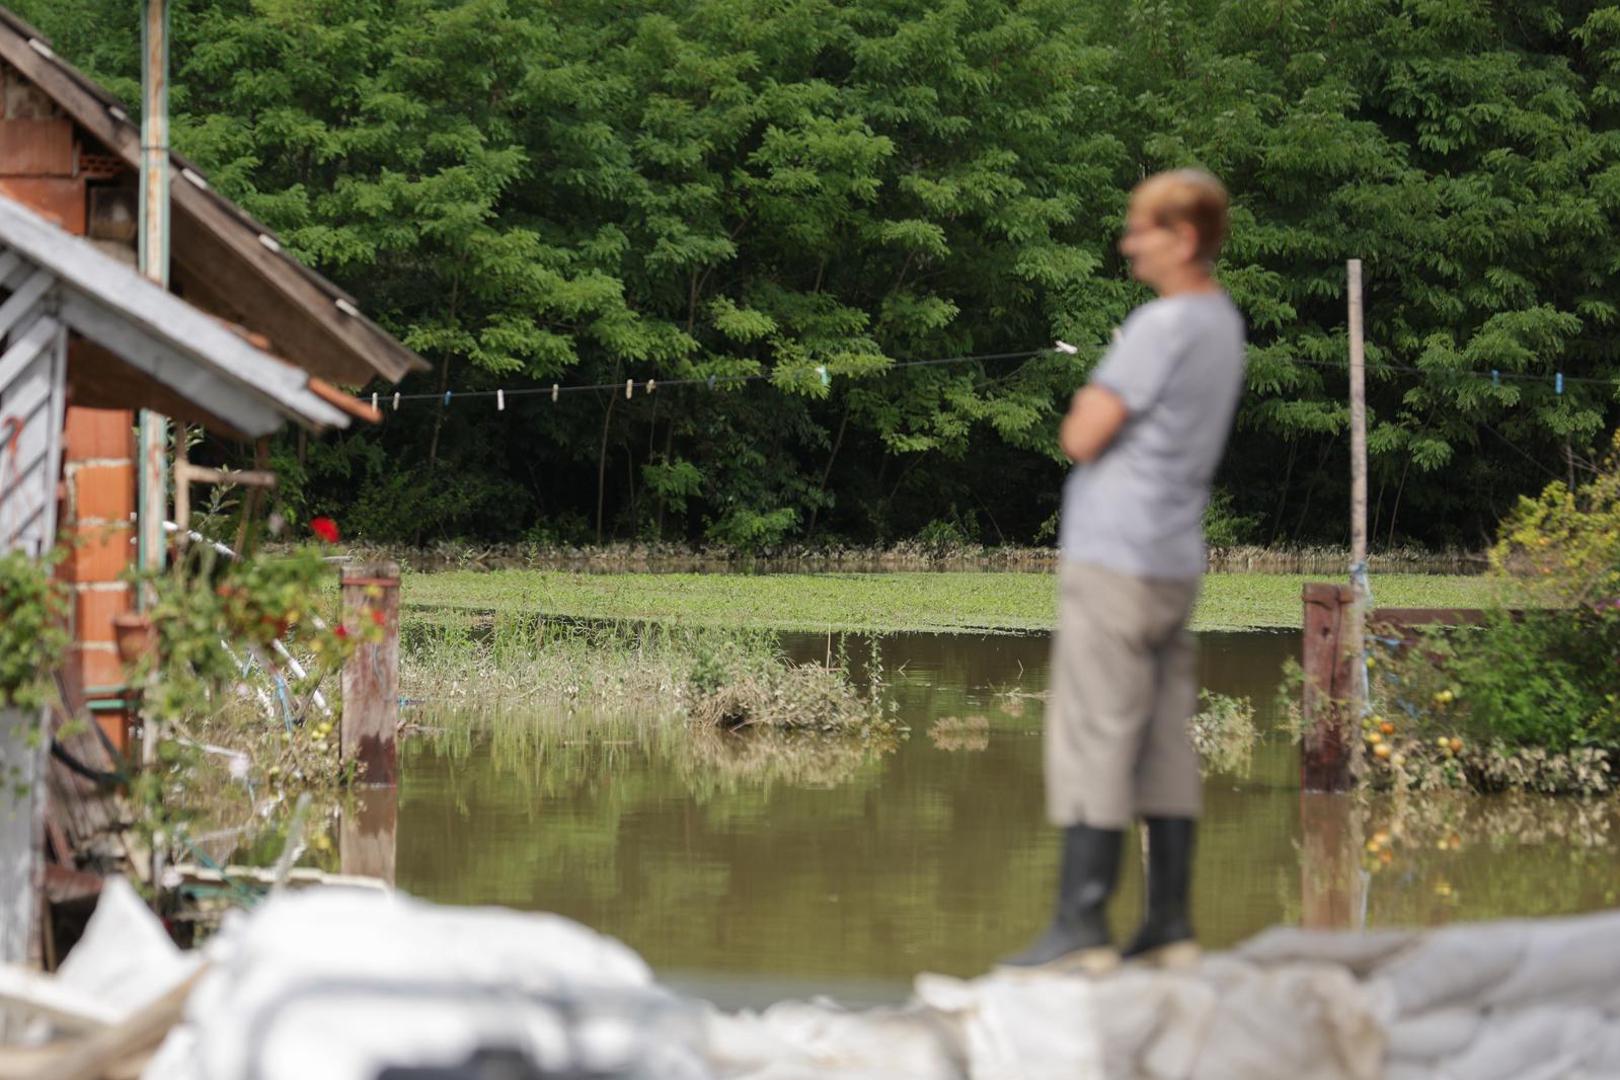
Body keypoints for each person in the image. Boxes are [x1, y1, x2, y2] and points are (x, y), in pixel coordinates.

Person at [1001, 168, 1246, 974]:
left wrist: (1084, 400)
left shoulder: (1162, 324)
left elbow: (1083, 432)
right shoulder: (1224, 325)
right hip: (1175, 559)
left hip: (1115, 558)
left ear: (1184, 239)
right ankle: (1170, 924)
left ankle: (1080, 926)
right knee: (1162, 737)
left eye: (1141, 228)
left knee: (1094, 732)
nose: (1127, 241)